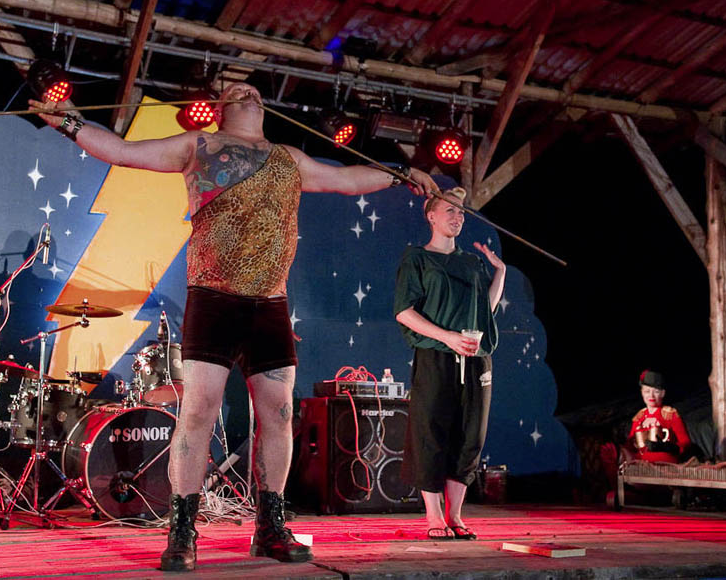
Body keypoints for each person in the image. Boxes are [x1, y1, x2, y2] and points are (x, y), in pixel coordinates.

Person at [30, 83, 437, 571]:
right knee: (198, 410)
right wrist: (69, 121)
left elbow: (347, 180)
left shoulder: (289, 157)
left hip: (270, 303)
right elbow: (119, 151)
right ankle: (183, 531)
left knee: (280, 415)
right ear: (219, 107)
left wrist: (401, 174)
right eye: (233, 87)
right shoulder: (197, 146)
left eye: (252, 87)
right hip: (213, 298)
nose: (245, 89)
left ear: (262, 106)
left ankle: (270, 526)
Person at [392, 186, 505, 541]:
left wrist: (499, 273)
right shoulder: (417, 258)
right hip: (437, 355)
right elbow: (404, 312)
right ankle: (434, 516)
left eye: (461, 212)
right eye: (450, 211)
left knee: (471, 435)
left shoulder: (471, 262)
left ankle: (456, 515)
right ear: (432, 216)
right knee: (431, 433)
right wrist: (446, 336)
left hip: (474, 358)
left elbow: (484, 310)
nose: (457, 217)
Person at [627, 370, 691, 463]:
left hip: (666, 467)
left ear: (662, 393)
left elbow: (686, 443)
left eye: (656, 391)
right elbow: (629, 446)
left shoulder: (670, 415)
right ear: (642, 393)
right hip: (641, 467)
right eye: (647, 391)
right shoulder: (639, 418)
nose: (651, 395)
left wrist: (669, 447)